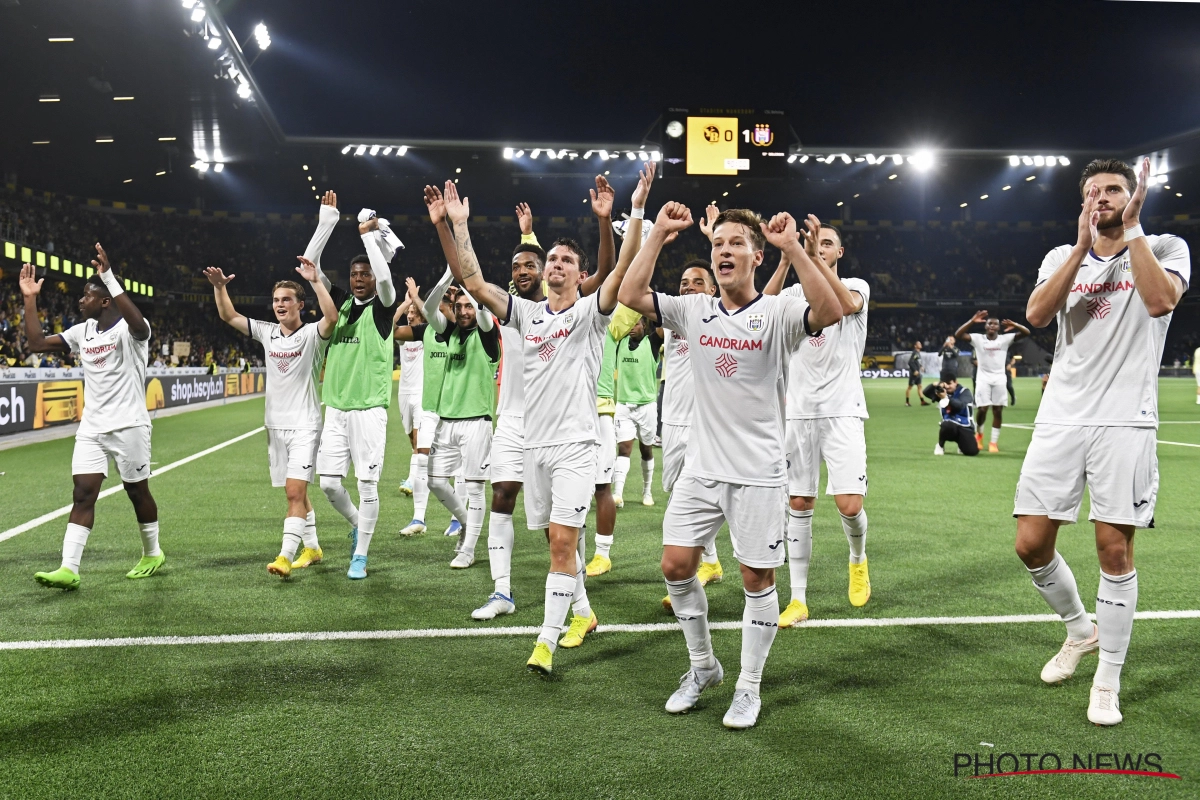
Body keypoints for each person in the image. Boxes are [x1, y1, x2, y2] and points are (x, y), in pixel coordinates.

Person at [619, 204, 841, 730]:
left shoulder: (777, 312)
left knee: (755, 578)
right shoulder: (693, 310)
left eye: (735, 243)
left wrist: (794, 248)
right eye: (717, 243)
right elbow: (629, 295)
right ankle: (704, 668)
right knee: (675, 567)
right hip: (702, 465)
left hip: (760, 471)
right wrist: (661, 234)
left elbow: (830, 310)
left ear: (756, 256)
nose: (723, 250)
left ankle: (748, 687)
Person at [441, 167, 644, 675]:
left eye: (565, 261)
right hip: (534, 446)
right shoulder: (526, 316)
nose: (555, 265)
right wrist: (457, 225)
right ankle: (584, 613)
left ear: (579, 275)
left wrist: (606, 223)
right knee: (554, 538)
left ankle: (546, 643)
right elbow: (471, 281)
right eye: (551, 258)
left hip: (577, 445)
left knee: (561, 542)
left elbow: (615, 271)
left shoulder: (592, 314)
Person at [1015, 157, 1189, 727]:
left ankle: (1107, 681)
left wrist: (1132, 229)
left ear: (1133, 194)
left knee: (1114, 551)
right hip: (1061, 416)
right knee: (1031, 545)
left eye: (1113, 189)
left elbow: (1161, 302)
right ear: (1082, 203)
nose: (1103, 197)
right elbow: (1038, 314)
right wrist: (1080, 249)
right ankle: (1080, 632)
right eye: (1093, 192)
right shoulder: (1059, 257)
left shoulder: (1165, 247)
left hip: (1125, 419)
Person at [21, 248, 164, 590]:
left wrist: (110, 278)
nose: (80, 300)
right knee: (84, 493)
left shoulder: (131, 334)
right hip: (92, 428)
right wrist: (29, 300)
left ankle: (153, 552)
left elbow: (140, 325)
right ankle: (69, 568)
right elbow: (37, 343)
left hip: (129, 425)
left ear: (104, 301)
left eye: (87, 295)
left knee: (136, 492)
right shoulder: (81, 331)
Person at [202, 257, 338, 578]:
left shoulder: (313, 335)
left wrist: (317, 280)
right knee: (297, 493)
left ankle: (284, 556)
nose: (279, 304)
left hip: (304, 424)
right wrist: (220, 288)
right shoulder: (266, 332)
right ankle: (313, 548)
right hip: (275, 426)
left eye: (286, 299)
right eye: (276, 300)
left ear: (300, 305)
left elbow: (331, 316)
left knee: (293, 493)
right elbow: (228, 314)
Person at [764, 218, 871, 624]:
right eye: (815, 242)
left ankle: (857, 559)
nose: (819, 246)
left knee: (848, 505)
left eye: (826, 243)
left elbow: (842, 306)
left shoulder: (858, 285)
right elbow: (758, 312)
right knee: (799, 502)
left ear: (839, 252)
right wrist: (790, 257)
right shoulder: (793, 294)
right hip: (798, 412)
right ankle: (799, 598)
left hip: (843, 410)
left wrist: (808, 257)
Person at [303, 192, 400, 580]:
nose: (360, 279)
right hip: (337, 408)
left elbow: (389, 281)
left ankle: (360, 554)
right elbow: (310, 266)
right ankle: (360, 523)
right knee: (328, 483)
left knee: (367, 482)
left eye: (366, 275)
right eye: (355, 275)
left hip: (369, 409)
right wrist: (326, 220)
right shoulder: (339, 303)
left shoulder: (383, 307)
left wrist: (367, 237)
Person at [421, 262, 500, 570]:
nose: (465, 310)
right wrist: (446, 277)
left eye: (469, 305)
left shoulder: (487, 332)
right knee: (435, 482)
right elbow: (429, 309)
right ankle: (467, 523)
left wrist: (467, 285)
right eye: (459, 306)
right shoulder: (449, 332)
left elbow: (482, 313)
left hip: (477, 423)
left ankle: (468, 550)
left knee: (476, 487)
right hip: (446, 422)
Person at [658, 258, 724, 611]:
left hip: (705, 424)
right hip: (672, 420)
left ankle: (694, 567)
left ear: (712, 290)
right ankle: (710, 562)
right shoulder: (674, 318)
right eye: (683, 282)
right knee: (674, 493)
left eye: (697, 282)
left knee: (700, 497)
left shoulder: (720, 319)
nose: (687, 287)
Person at [395, 278, 460, 537]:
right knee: (422, 459)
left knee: (460, 469)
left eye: (446, 303)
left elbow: (453, 315)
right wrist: (407, 303)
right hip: (429, 406)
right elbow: (388, 329)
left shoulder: (458, 330)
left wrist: (452, 294)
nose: (441, 308)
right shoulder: (424, 332)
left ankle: (458, 519)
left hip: (457, 408)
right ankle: (418, 519)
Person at [954, 311, 1030, 452]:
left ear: (998, 327)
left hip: (1000, 379)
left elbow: (1026, 333)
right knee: (982, 409)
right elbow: (958, 334)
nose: (992, 326)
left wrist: (1015, 325)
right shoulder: (978, 339)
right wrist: (972, 320)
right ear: (986, 326)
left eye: (995, 324)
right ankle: (979, 435)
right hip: (983, 379)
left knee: (997, 411)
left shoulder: (1004, 339)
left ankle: (993, 442)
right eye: (990, 323)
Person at [611, 315, 661, 509]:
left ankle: (647, 491)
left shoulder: (652, 343)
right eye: (629, 324)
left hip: (647, 406)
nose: (632, 327)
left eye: (636, 324)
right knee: (623, 448)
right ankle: (617, 494)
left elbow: (663, 327)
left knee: (646, 449)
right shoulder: (619, 343)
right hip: (624, 405)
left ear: (644, 325)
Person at [395, 290, 424, 497]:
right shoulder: (403, 337)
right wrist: (406, 303)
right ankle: (422, 472)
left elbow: (433, 318)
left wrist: (418, 301)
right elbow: (390, 323)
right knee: (413, 442)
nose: (410, 315)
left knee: (418, 440)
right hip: (403, 392)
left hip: (421, 392)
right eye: (409, 312)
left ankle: (413, 481)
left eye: (414, 312)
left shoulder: (427, 335)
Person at [924, 374, 977, 455]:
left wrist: (945, 397)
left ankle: (961, 444)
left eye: (949, 384)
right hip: (950, 426)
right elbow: (926, 392)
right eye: (945, 384)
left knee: (972, 451)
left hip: (965, 426)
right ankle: (940, 445)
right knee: (946, 424)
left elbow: (960, 406)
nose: (947, 387)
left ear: (956, 382)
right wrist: (936, 384)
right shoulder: (942, 392)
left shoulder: (965, 392)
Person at [905, 341, 928, 406]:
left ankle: (922, 401)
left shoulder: (918, 353)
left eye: (920, 343)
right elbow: (910, 362)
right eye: (919, 344)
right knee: (910, 387)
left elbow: (916, 361)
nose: (920, 344)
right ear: (915, 346)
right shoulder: (915, 353)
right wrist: (914, 370)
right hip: (914, 374)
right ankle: (907, 402)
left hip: (918, 373)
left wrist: (921, 366)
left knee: (920, 386)